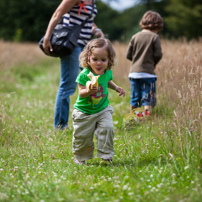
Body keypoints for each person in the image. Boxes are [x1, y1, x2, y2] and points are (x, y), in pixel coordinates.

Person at [43, 0, 104, 129]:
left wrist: (96, 30)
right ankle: (60, 127)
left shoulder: (92, 1)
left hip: (85, 46)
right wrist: (47, 37)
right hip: (71, 45)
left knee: (90, 83)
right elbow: (57, 13)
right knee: (68, 86)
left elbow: (87, 19)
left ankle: (88, 121)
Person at [72, 38, 125, 164]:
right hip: (84, 111)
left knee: (107, 128)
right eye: (95, 59)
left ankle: (106, 155)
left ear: (109, 60)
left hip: (102, 109)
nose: (99, 63)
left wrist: (116, 87)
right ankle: (81, 157)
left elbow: (108, 81)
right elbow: (81, 92)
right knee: (82, 136)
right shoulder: (84, 75)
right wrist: (89, 90)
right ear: (88, 58)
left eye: (103, 60)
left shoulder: (106, 72)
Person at [126, 10, 163, 116]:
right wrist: (152, 63)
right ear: (157, 26)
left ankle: (133, 117)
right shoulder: (155, 37)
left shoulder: (135, 36)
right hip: (148, 73)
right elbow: (158, 54)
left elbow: (128, 55)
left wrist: (136, 62)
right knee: (148, 98)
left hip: (134, 73)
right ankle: (147, 119)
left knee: (135, 97)